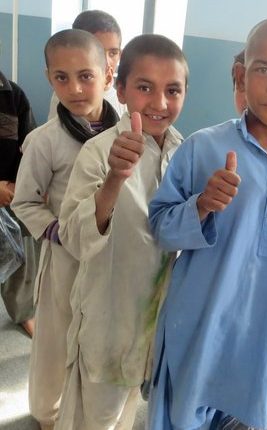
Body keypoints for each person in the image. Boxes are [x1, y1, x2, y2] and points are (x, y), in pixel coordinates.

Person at [147, 16, 267, 429]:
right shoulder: (202, 147)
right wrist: (200, 206)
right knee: (180, 417)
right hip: (196, 328)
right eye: (263, 68)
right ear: (240, 75)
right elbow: (160, 228)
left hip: (259, 340)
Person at [55, 34, 188, 429]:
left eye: (173, 90)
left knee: (130, 408)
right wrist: (114, 179)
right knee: (97, 417)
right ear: (122, 90)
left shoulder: (183, 153)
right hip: (109, 316)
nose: (160, 103)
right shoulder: (99, 151)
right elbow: (74, 237)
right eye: (145, 87)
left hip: (156, 316)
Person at [11, 29, 117, 430]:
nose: (74, 88)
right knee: (55, 340)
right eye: (62, 77)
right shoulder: (44, 141)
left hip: (109, 258)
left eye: (86, 76)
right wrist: (56, 231)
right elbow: (24, 201)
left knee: (98, 337)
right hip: (64, 257)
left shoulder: (125, 135)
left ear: (108, 75)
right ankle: (48, 412)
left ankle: (91, 411)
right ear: (49, 78)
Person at [0, 68, 39, 337]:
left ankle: (24, 311)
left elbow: (29, 148)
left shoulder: (12, 95)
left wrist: (17, 186)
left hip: (11, 193)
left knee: (22, 255)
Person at [47, 9, 125, 119]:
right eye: (98, 53)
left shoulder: (123, 98)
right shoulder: (67, 97)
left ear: (120, 55)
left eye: (113, 53)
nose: (106, 62)